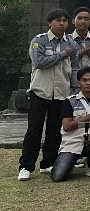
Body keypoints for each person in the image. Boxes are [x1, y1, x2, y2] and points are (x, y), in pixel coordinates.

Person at [18, 9, 79, 181]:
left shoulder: (71, 43)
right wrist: (61, 55)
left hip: (62, 92)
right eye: (58, 20)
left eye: (65, 21)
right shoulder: (40, 41)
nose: (62, 24)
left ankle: (48, 163)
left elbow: (75, 67)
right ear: (49, 23)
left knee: (54, 130)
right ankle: (26, 166)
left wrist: (74, 87)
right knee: (34, 129)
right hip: (40, 91)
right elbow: (39, 62)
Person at [50, 67, 90, 181]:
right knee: (58, 177)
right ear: (79, 82)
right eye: (84, 80)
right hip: (72, 142)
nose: (88, 83)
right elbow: (67, 126)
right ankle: (72, 161)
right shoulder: (70, 101)